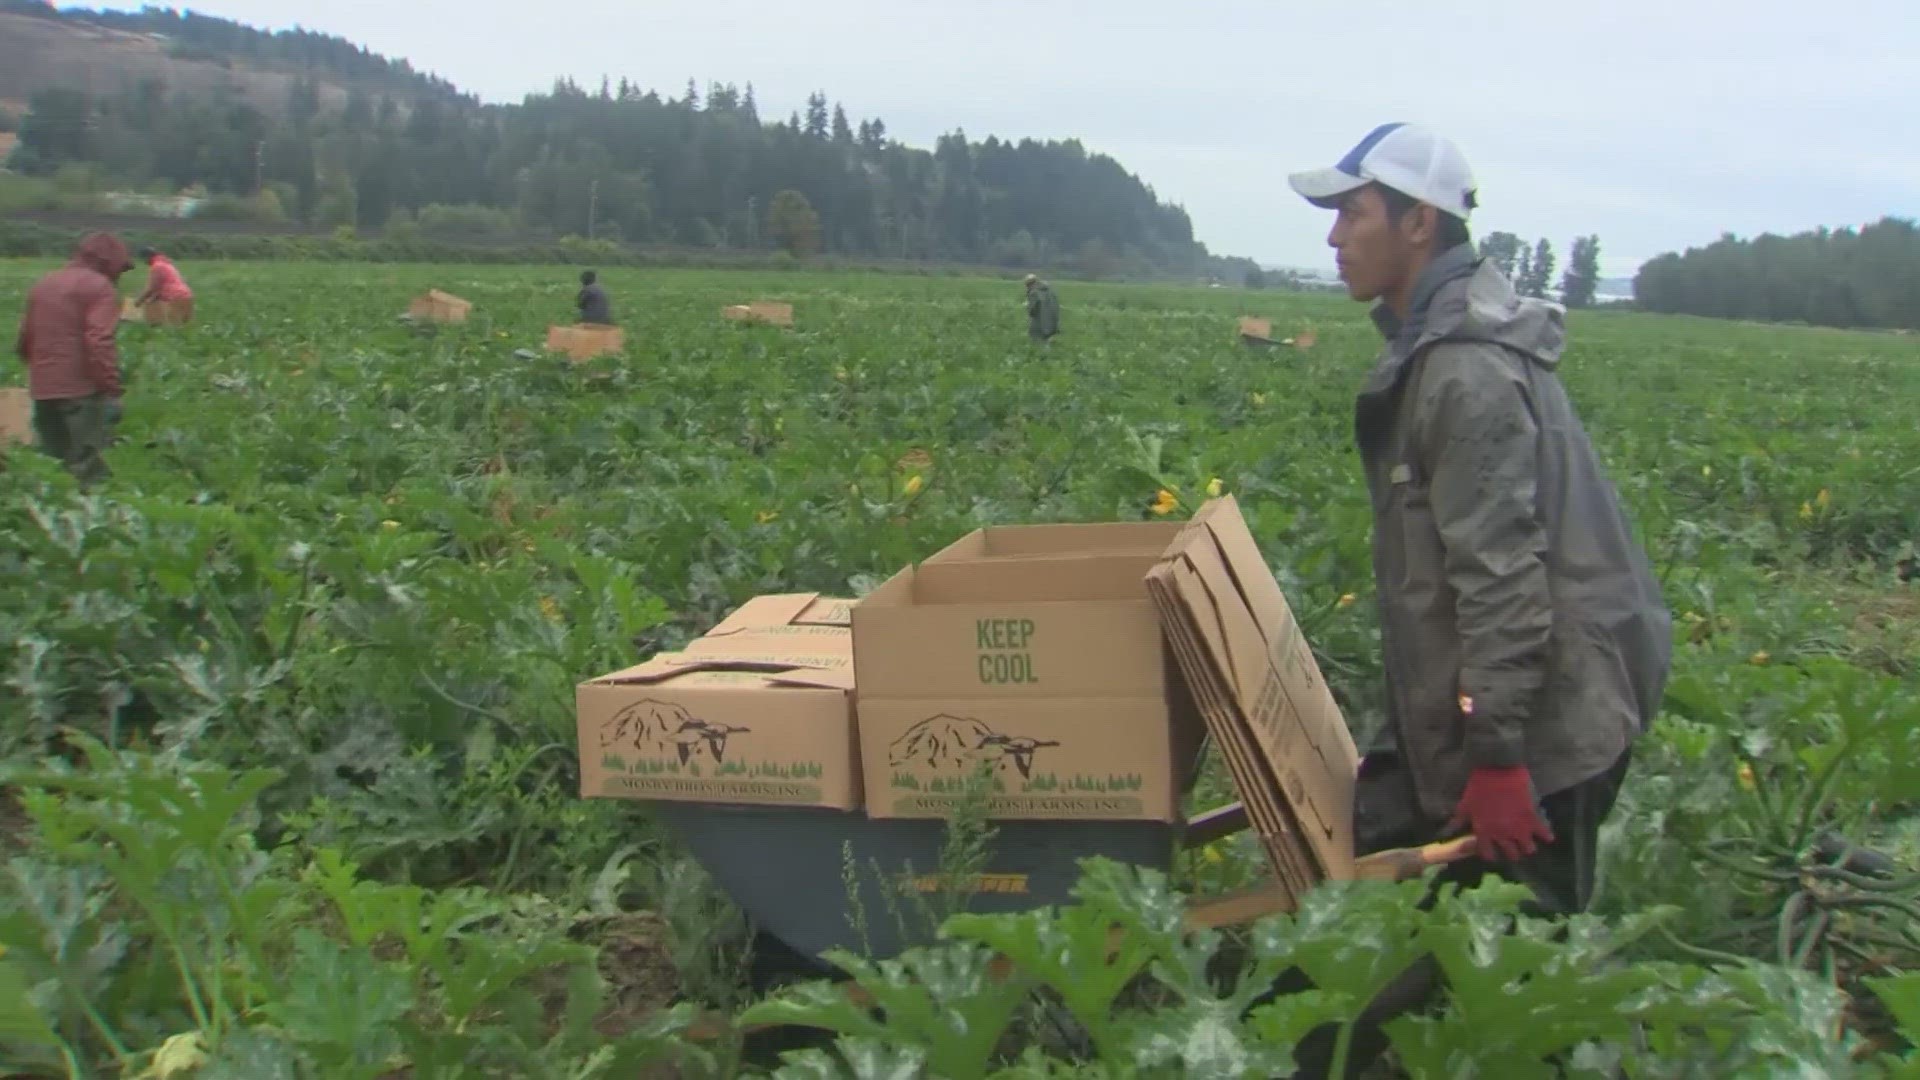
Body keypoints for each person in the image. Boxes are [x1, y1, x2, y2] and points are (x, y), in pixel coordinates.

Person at [1278, 123, 1673, 1074]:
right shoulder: (1444, 350)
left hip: (1548, 728)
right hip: (1520, 711)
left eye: (1353, 214)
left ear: (1419, 224)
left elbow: (1500, 581)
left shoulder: (1465, 370)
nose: (1335, 238)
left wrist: (1497, 760)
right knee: (1460, 984)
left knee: (1495, 997)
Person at [14, 232, 134, 486]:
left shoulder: (45, 283)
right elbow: (98, 341)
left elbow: (25, 340)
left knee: (53, 469)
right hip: (82, 391)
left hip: (43, 389)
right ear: (109, 262)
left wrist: (43, 372)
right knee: (89, 470)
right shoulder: (100, 288)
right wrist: (110, 387)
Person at [134, 246, 194, 322]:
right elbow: (158, 289)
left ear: (147, 257)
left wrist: (137, 302)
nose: (143, 261)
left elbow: (151, 289)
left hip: (175, 297)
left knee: (163, 325)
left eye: (143, 258)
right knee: (181, 327)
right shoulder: (166, 263)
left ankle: (131, 320)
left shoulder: (157, 266)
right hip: (186, 296)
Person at [1024, 273, 1059, 342]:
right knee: (1047, 338)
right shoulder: (1049, 291)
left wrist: (1029, 309)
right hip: (1052, 319)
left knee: (1038, 340)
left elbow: (1032, 310)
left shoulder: (1034, 293)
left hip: (1039, 321)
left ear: (1030, 284)